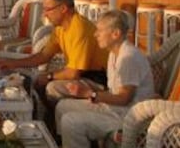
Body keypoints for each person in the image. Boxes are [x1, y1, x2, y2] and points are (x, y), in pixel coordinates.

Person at [56, 10, 155, 148]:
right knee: (63, 106)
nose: (95, 34)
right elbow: (114, 91)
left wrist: (90, 94)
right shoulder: (113, 53)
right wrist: (86, 91)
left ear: (115, 34)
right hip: (115, 108)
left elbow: (124, 98)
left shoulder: (129, 58)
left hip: (130, 118)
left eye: (100, 31)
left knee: (70, 121)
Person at [0, 0, 108, 100]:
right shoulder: (60, 28)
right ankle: (43, 115)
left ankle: (53, 116)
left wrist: (49, 76)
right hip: (83, 75)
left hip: (98, 79)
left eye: (48, 9)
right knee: (37, 81)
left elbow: (73, 73)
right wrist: (13, 64)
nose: (45, 14)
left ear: (63, 8)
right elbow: (43, 56)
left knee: (52, 87)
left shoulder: (79, 29)